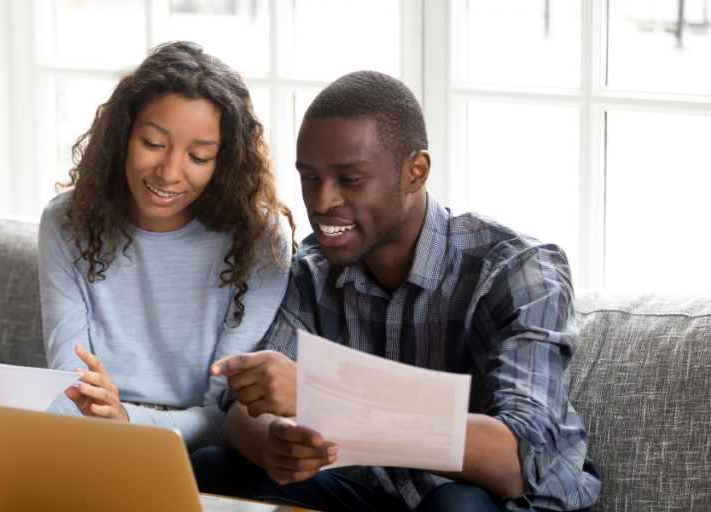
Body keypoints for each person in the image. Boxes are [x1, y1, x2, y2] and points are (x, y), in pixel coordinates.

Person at [189, 71, 602, 511]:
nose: (323, 201)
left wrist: (327, 398)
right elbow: (241, 413)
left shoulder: (519, 270)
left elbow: (516, 459)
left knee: (455, 505)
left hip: (504, 502)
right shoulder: (313, 270)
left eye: (350, 179)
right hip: (380, 498)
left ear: (415, 172)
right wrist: (272, 439)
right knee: (212, 466)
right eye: (310, 177)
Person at [38, 41, 294, 452]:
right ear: (123, 136)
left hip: (194, 449)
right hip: (88, 435)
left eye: (198, 156)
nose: (170, 172)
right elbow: (70, 383)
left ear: (223, 161)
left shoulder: (260, 239)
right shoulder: (67, 221)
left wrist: (125, 419)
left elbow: (222, 416)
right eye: (153, 144)